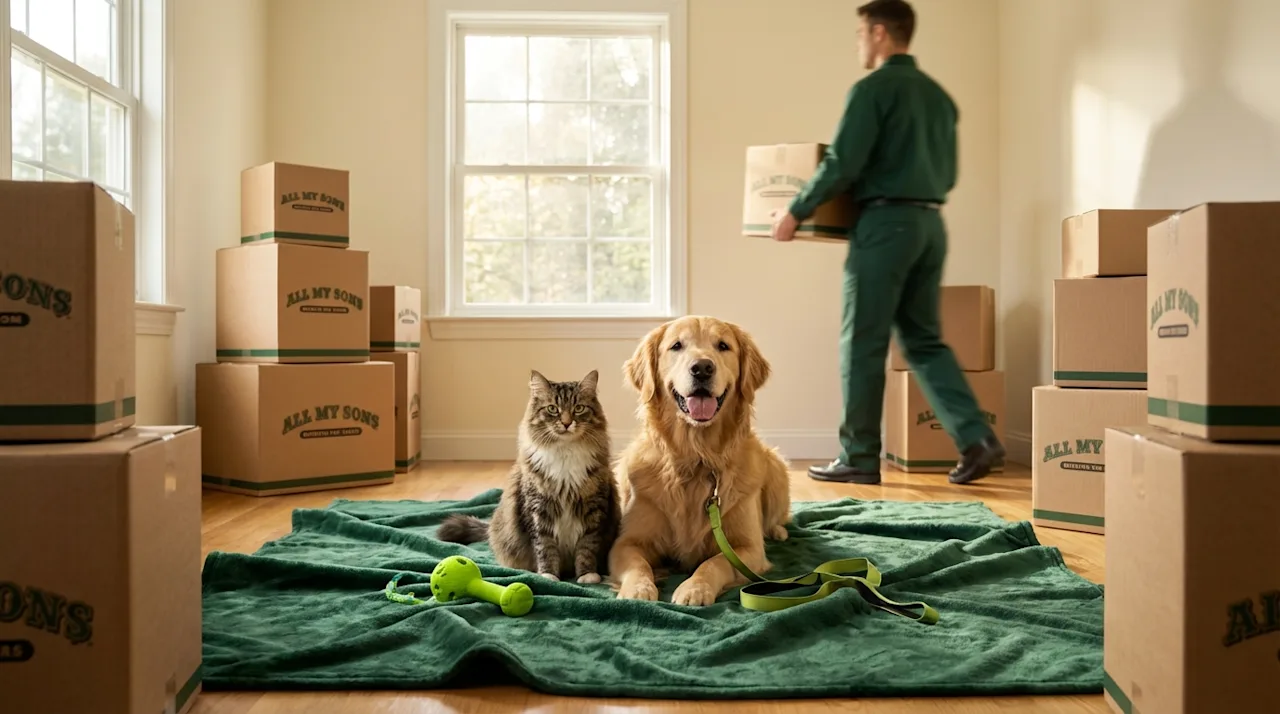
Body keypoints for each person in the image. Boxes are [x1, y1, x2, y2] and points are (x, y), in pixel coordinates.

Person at [770, 0, 1004, 486]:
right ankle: (976, 437)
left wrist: (796, 211)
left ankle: (858, 455)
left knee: (862, 343)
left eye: (859, 33)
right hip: (930, 226)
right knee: (923, 340)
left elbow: (842, 163)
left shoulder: (872, 90)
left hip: (884, 227)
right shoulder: (940, 99)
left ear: (879, 33)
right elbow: (950, 173)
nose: (857, 43)